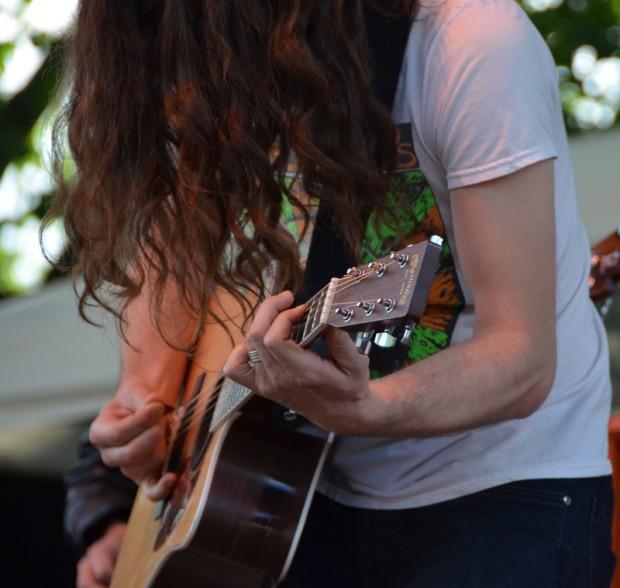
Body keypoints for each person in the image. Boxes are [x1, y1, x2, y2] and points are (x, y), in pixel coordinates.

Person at [55, 0, 615, 586]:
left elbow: (521, 358)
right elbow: (172, 225)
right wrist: (145, 399)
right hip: (311, 497)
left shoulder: (472, 42)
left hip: (506, 494)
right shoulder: (227, 70)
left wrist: (370, 408)